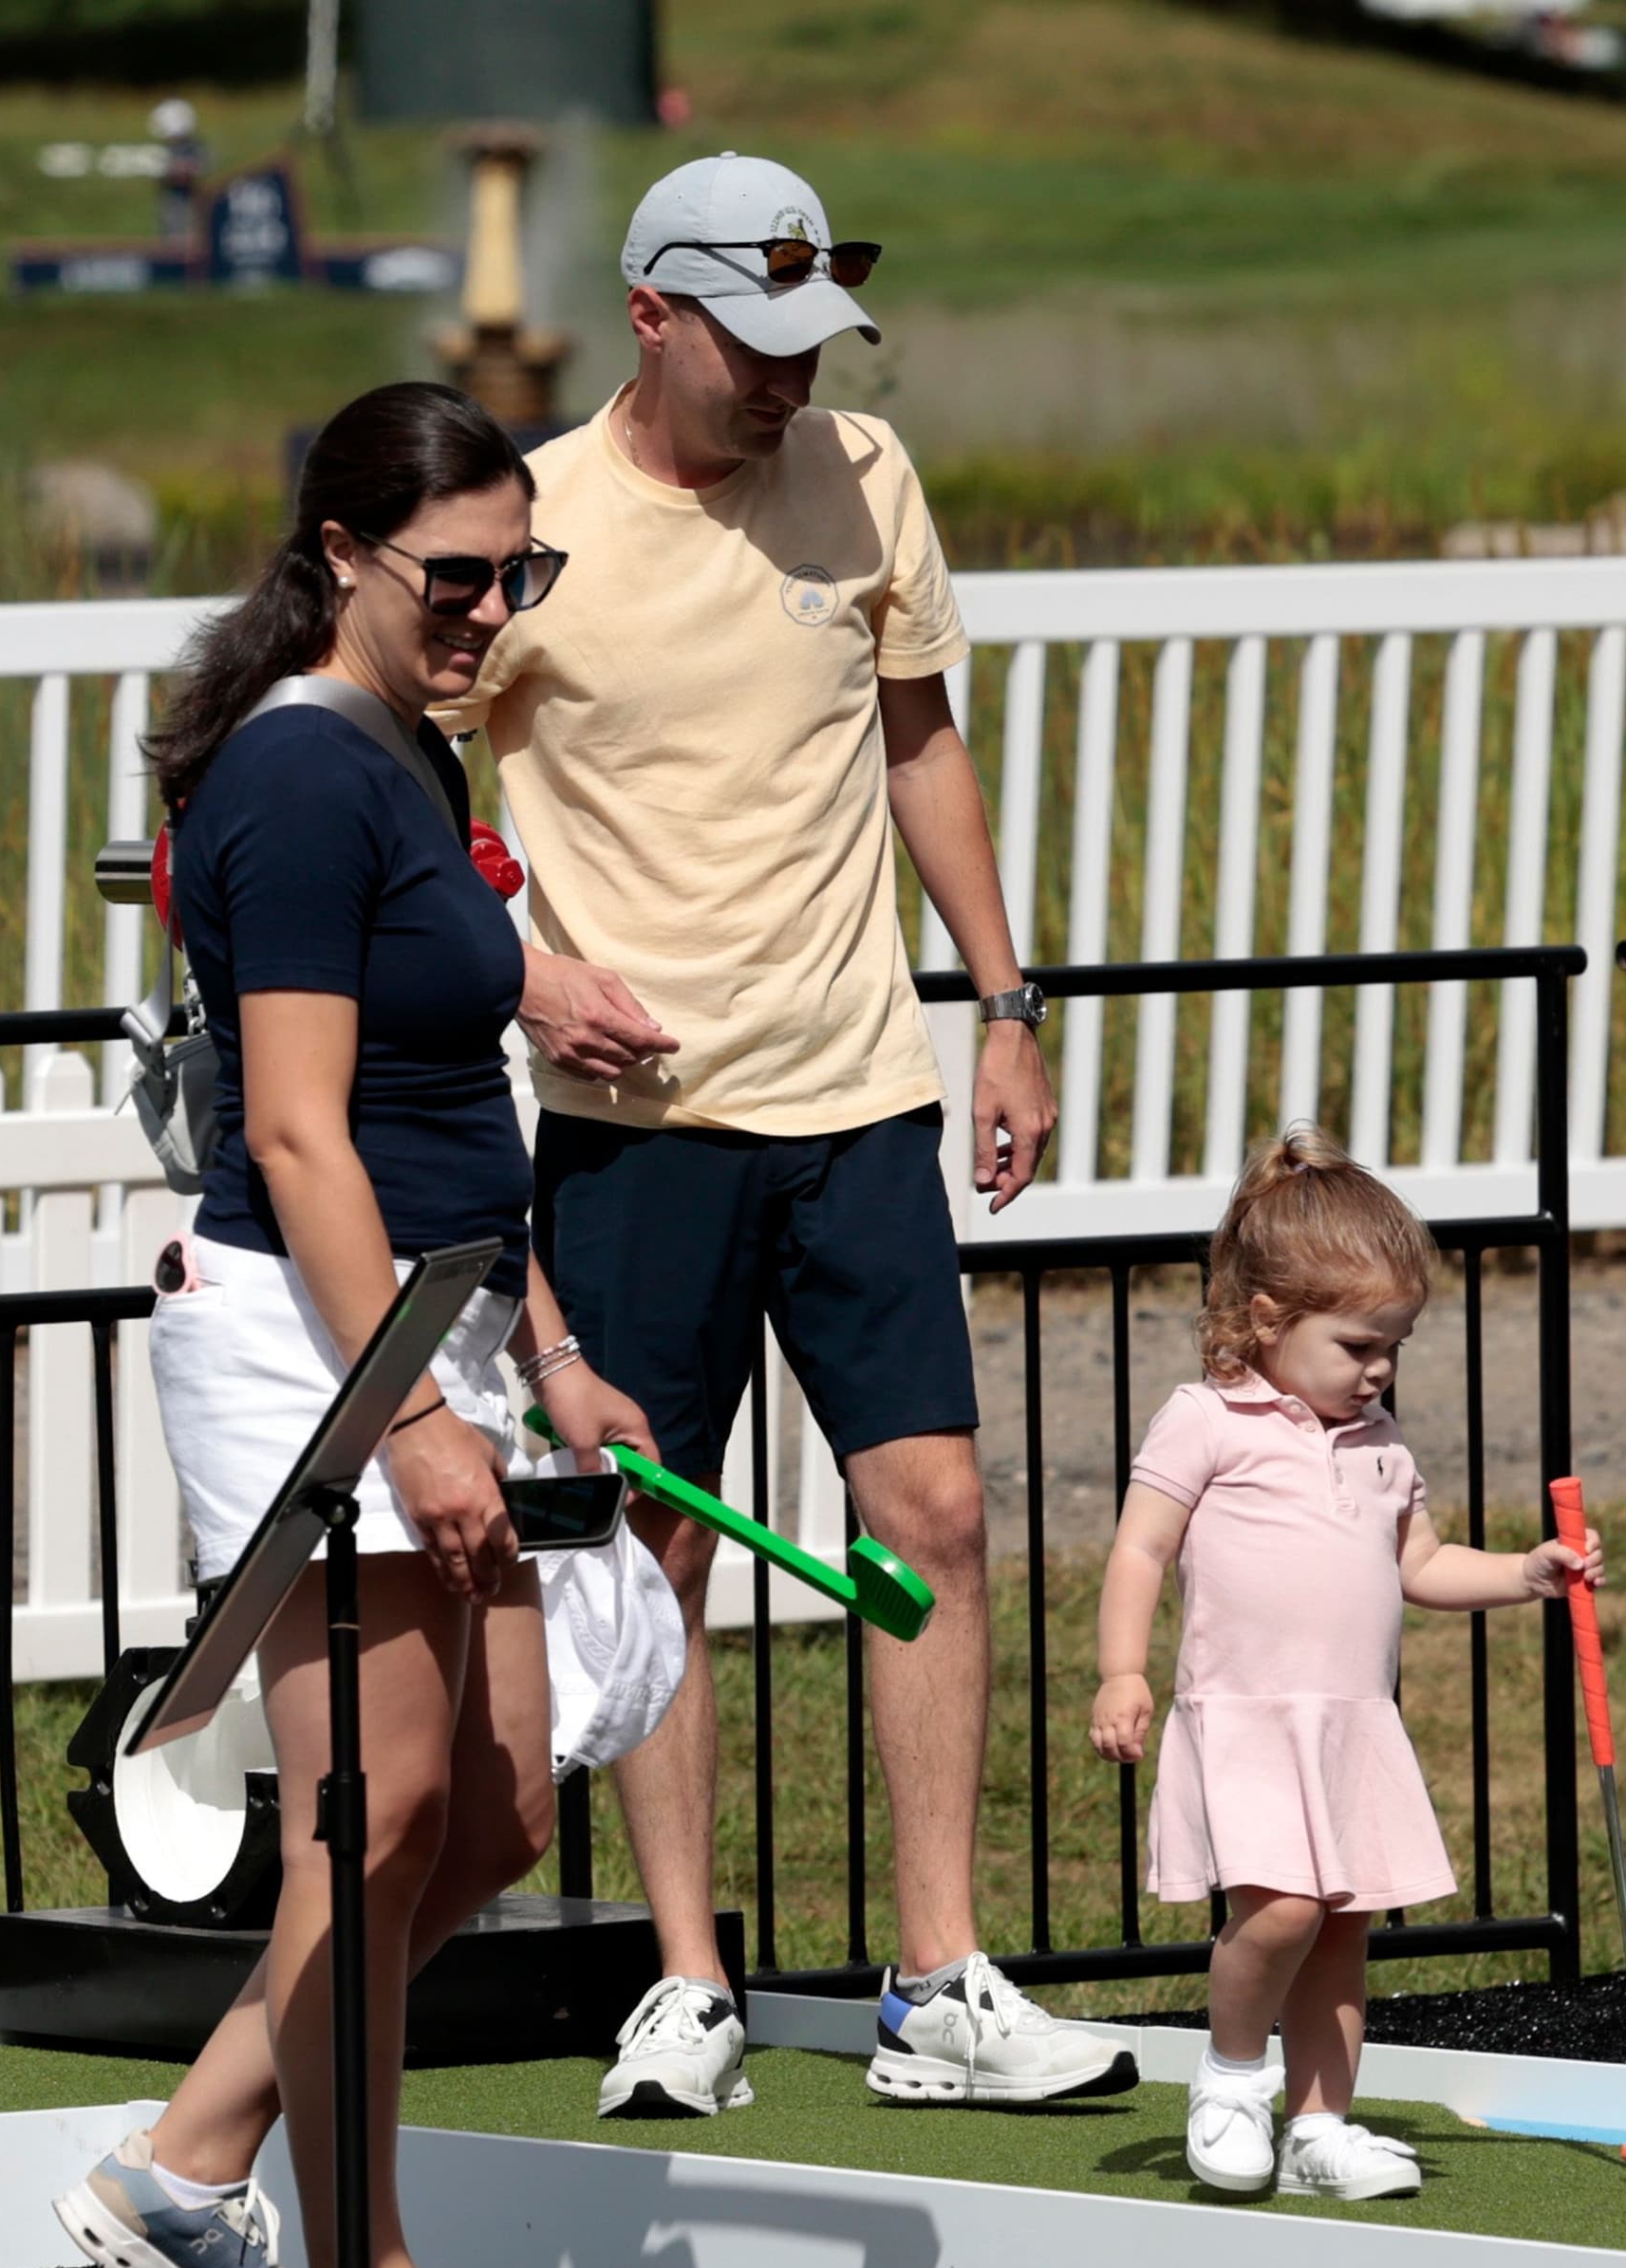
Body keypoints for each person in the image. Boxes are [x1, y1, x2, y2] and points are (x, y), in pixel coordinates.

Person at [448, 152, 1136, 2116]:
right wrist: (519, 968)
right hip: (635, 1123)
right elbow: (411, 762)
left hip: (861, 1100)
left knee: (934, 1517)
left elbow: (921, 739)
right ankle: (687, 1983)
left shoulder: (866, 471)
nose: (782, 379)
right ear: (650, 318)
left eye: (808, 340)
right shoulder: (536, 525)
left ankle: (939, 1982)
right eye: (748, 343)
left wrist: (1007, 1006)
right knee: (658, 1541)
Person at [52, 381, 656, 2268]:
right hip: (316, 1338)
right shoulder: (305, 782)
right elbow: (303, 1134)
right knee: (371, 1810)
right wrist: (407, 1409)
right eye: (458, 576)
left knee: (479, 1809)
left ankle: (196, 2157)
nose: (493, 611)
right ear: (342, 557)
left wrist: (550, 1353)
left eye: (521, 573)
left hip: (443, 1318)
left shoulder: (407, 748)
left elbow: (452, 1101)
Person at [1087, 1131, 1603, 2201]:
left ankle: (1321, 2123)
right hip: (1247, 1716)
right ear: (1267, 1319)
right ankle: (1231, 2080)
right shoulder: (1207, 1419)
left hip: (1351, 1721)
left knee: (1343, 1923)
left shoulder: (1381, 1443)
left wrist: (1526, 1571)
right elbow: (1141, 1545)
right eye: (1359, 1343)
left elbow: (1417, 1560)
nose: (1379, 1367)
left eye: (1394, 1345)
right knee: (1277, 1909)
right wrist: (1121, 1670)